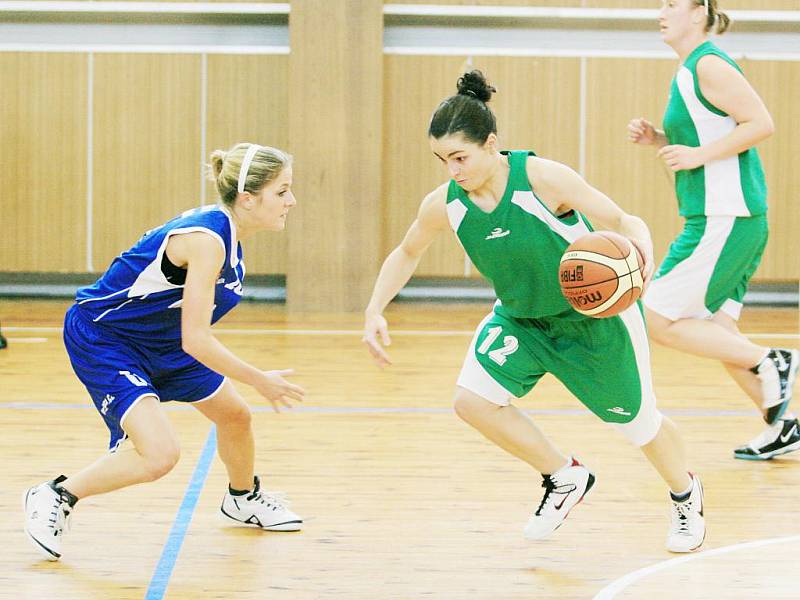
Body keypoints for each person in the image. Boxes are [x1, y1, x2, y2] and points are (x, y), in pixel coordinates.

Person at [363, 71, 706, 552]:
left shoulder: (542, 179)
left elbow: (625, 220)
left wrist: (642, 252)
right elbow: (406, 252)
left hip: (593, 322)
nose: (452, 170)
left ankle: (686, 495)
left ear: (491, 144)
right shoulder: (445, 204)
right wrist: (375, 308)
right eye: (442, 160)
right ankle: (563, 476)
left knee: (639, 426)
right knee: (472, 402)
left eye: (460, 157)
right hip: (521, 320)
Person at [24, 143, 306, 561]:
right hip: (107, 339)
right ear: (248, 199)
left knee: (235, 415)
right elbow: (197, 340)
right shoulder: (206, 239)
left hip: (161, 342)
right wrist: (259, 378)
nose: (291, 201)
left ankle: (242, 498)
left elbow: (187, 334)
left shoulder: (230, 238)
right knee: (160, 456)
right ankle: (56, 494)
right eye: (282, 191)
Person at [628, 0, 799, 461]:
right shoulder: (689, 69)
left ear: (700, 12)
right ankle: (782, 424)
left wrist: (698, 157)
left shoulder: (707, 64)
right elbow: (706, 135)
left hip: (724, 216)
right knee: (718, 331)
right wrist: (661, 140)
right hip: (732, 218)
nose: (660, 11)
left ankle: (773, 361)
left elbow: (762, 123)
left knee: (654, 318)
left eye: (671, 3)